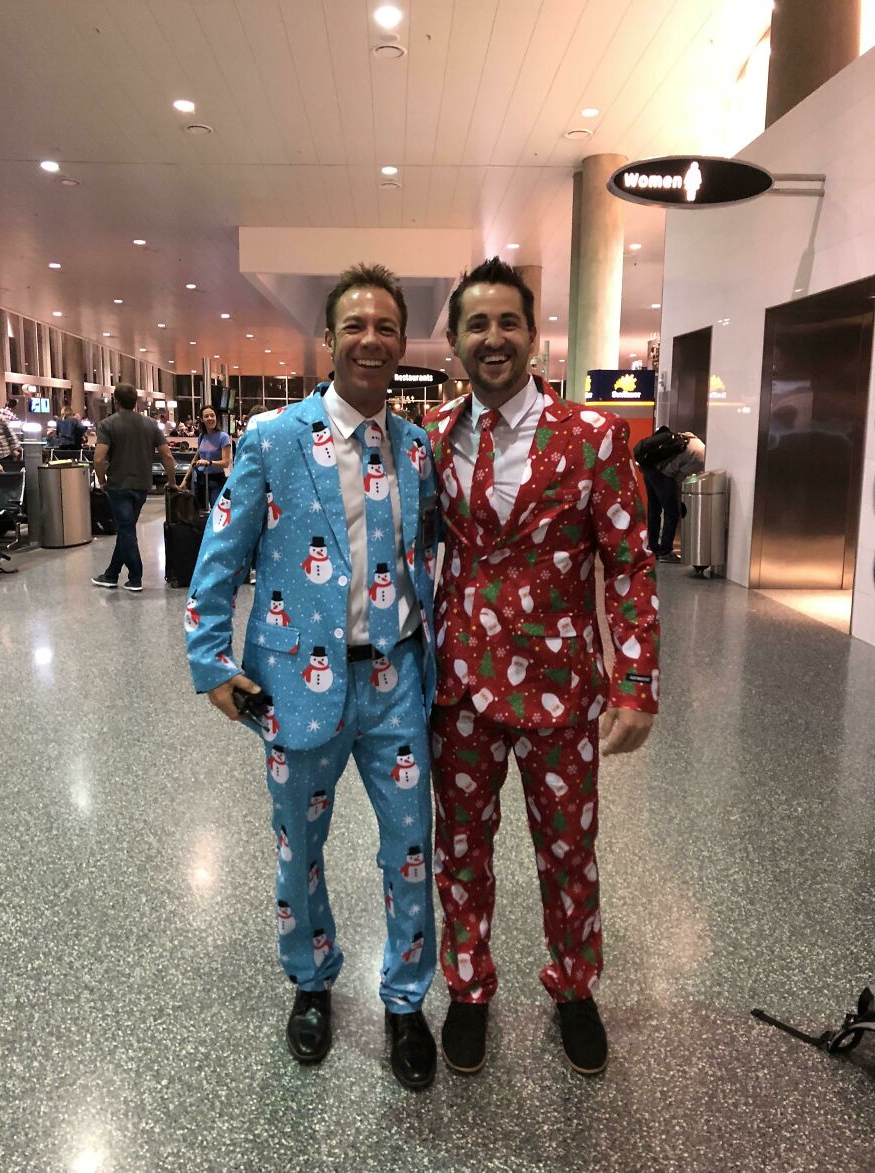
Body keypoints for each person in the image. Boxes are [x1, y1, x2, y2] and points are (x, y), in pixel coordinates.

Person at [185, 263, 441, 1090]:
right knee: (300, 849)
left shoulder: (416, 446)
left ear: (402, 343)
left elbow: (428, 553)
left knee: (409, 847)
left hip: (396, 678)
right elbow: (219, 554)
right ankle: (311, 980)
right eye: (354, 326)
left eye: (386, 327)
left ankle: (405, 999)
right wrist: (211, 661)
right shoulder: (271, 439)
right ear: (328, 341)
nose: (371, 339)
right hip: (297, 684)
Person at [422, 257, 660, 1078]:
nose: (493, 338)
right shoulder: (433, 439)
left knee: (568, 848)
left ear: (534, 335)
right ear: (454, 340)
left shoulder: (593, 439)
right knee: (461, 846)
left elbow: (629, 562)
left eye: (508, 323)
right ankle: (468, 986)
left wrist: (636, 679)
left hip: (561, 690)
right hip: (457, 689)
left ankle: (573, 987)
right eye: (476, 325)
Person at [92, 383, 176, 592]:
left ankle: (136, 576)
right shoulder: (150, 424)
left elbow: (99, 458)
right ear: (136, 401)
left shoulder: (107, 424)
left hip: (118, 485)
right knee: (126, 528)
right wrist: (172, 481)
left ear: (116, 401)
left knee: (126, 529)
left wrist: (102, 480)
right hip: (142, 485)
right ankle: (111, 574)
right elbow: (167, 455)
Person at [643, 429, 705, 563]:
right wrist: (678, 501)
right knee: (672, 513)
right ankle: (665, 552)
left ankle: (653, 548)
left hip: (649, 468)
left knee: (654, 510)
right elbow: (677, 478)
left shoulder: (691, 437)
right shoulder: (701, 458)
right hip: (662, 474)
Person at [180, 406, 231, 509]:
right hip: (200, 479)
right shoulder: (202, 436)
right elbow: (196, 459)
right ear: (202, 420)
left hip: (217, 480)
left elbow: (226, 462)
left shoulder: (223, 437)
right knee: (199, 512)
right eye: (206, 416)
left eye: (212, 415)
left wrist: (209, 462)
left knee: (216, 511)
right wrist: (185, 480)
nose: (210, 418)